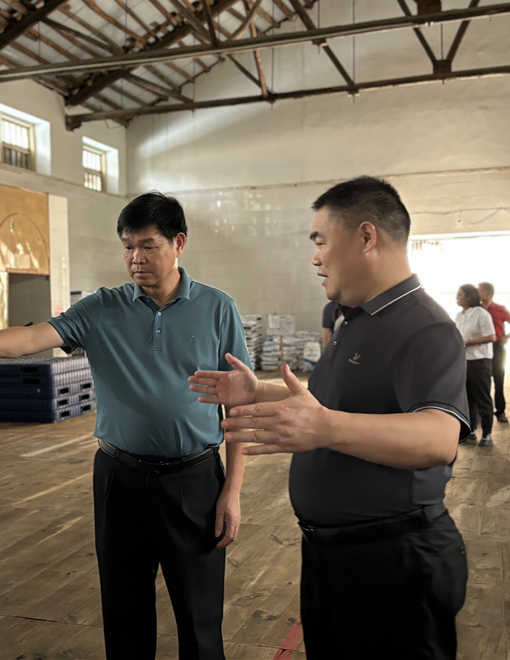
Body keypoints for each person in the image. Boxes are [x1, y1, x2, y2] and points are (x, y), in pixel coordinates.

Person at [189, 176, 470, 660]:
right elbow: (328, 402)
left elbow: (438, 438)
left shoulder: (424, 327)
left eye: (320, 241)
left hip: (394, 560)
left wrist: (325, 429)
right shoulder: (352, 318)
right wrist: (258, 391)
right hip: (333, 554)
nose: (314, 257)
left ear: (366, 237)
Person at [0, 192, 251, 660]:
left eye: (148, 246)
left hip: (195, 480)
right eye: (127, 247)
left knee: (200, 618)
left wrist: (233, 491)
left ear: (179, 243)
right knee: (124, 613)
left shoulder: (218, 308)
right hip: (121, 481)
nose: (136, 258)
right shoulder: (101, 308)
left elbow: (238, 408)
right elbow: (31, 338)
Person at [455, 283, 496, 446]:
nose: (457, 298)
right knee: (467, 397)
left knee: (482, 397)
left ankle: (487, 434)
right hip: (464, 361)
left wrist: (469, 342)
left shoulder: (482, 314)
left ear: (469, 297)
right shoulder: (460, 315)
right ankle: (470, 430)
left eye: (460, 295)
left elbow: (491, 336)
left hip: (480, 361)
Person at [478, 281, 510, 424]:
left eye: (479, 291)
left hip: (497, 347)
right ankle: (483, 411)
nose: (477, 294)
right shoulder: (477, 309)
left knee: (499, 379)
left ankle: (500, 412)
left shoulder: (500, 309)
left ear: (488, 293)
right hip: (481, 347)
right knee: (483, 381)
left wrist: (508, 336)